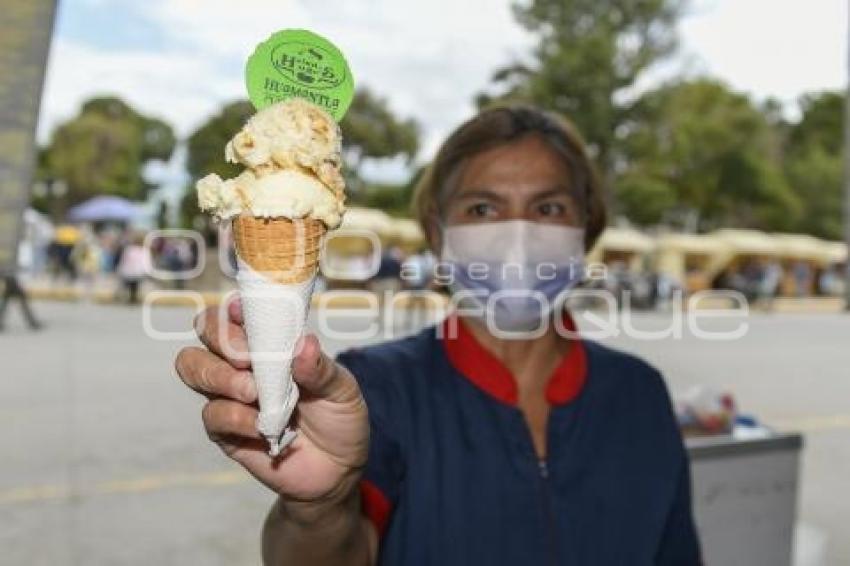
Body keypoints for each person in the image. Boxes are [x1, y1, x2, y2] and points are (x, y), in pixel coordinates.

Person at [175, 105, 701, 565]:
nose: (517, 233)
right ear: (436, 231)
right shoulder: (369, 392)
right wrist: (319, 509)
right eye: (482, 208)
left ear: (588, 227)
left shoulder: (640, 394)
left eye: (548, 208)